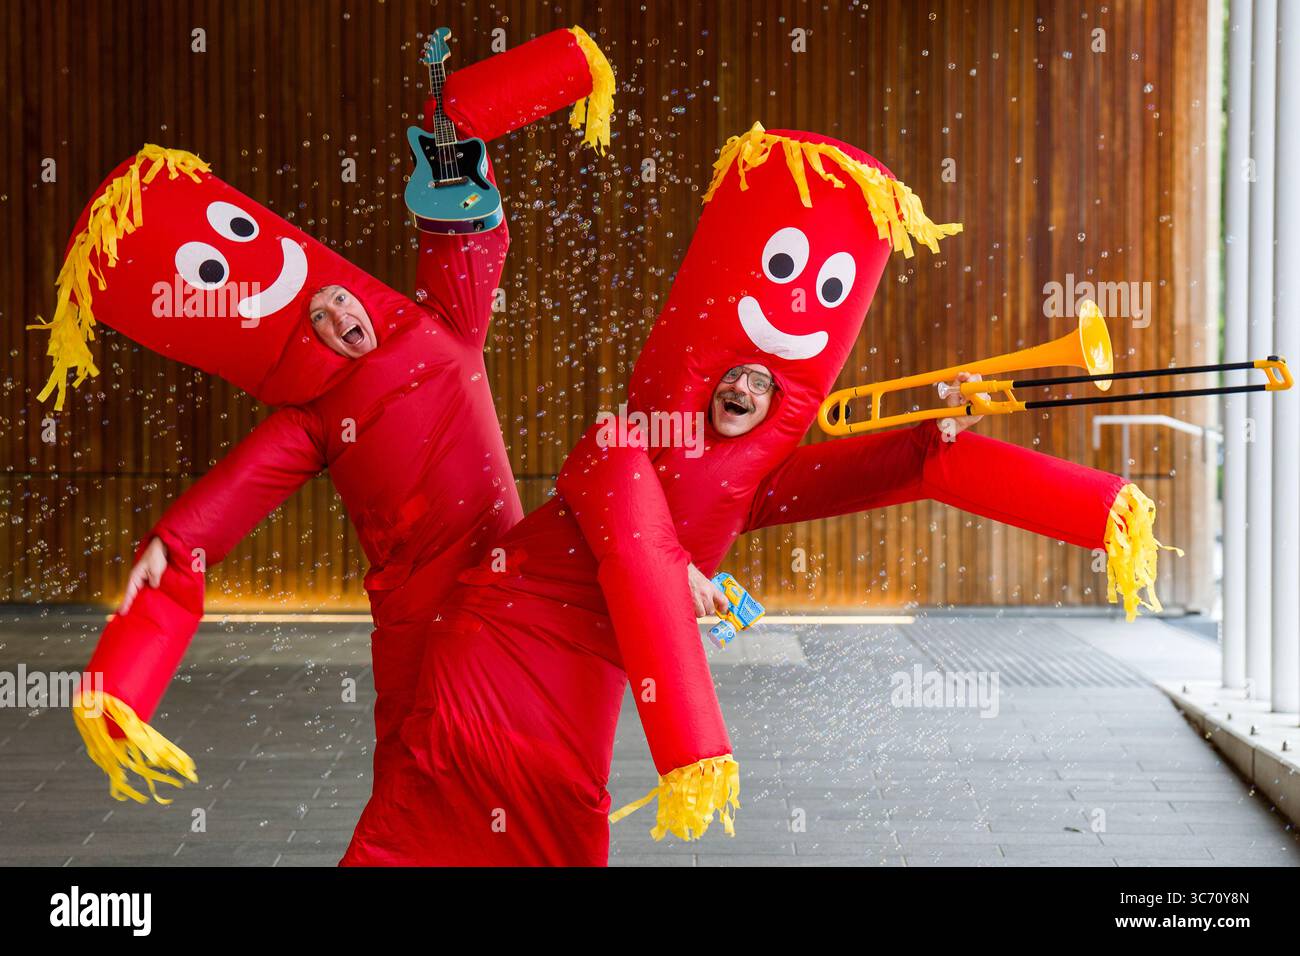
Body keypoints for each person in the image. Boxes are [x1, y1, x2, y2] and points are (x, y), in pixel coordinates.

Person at [339, 124, 1172, 866]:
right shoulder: (618, 438)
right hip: (500, 651)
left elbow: (913, 470)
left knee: (562, 831)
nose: (743, 382)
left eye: (766, 382)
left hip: (587, 682)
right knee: (436, 824)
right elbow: (635, 544)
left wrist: (967, 437)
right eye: (729, 368)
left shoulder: (753, 484)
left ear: (791, 401)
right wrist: (694, 731)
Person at [35, 28, 617, 817]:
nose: (339, 309)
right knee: (418, 784)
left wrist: (561, 73)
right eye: (319, 315)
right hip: (415, 619)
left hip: (505, 584)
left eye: (341, 297)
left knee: (532, 765)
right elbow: (230, 498)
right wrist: (170, 552)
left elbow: (462, 199)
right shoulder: (312, 419)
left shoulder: (442, 322)